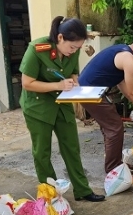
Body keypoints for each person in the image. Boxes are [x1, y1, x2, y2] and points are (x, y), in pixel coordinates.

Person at [18, 16, 104, 202]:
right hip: (38, 107)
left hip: (62, 104)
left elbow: (73, 73)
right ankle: (50, 195)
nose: (74, 51)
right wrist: (58, 85)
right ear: (60, 38)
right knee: (42, 152)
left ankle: (82, 190)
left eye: (77, 49)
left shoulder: (72, 51)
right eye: (72, 47)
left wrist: (74, 83)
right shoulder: (37, 49)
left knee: (72, 147)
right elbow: (27, 83)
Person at [78, 32, 133, 174]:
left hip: (90, 91)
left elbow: (125, 89)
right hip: (89, 92)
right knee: (114, 128)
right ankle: (113, 168)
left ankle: (115, 163)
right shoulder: (128, 59)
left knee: (111, 127)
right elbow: (132, 92)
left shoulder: (122, 51)